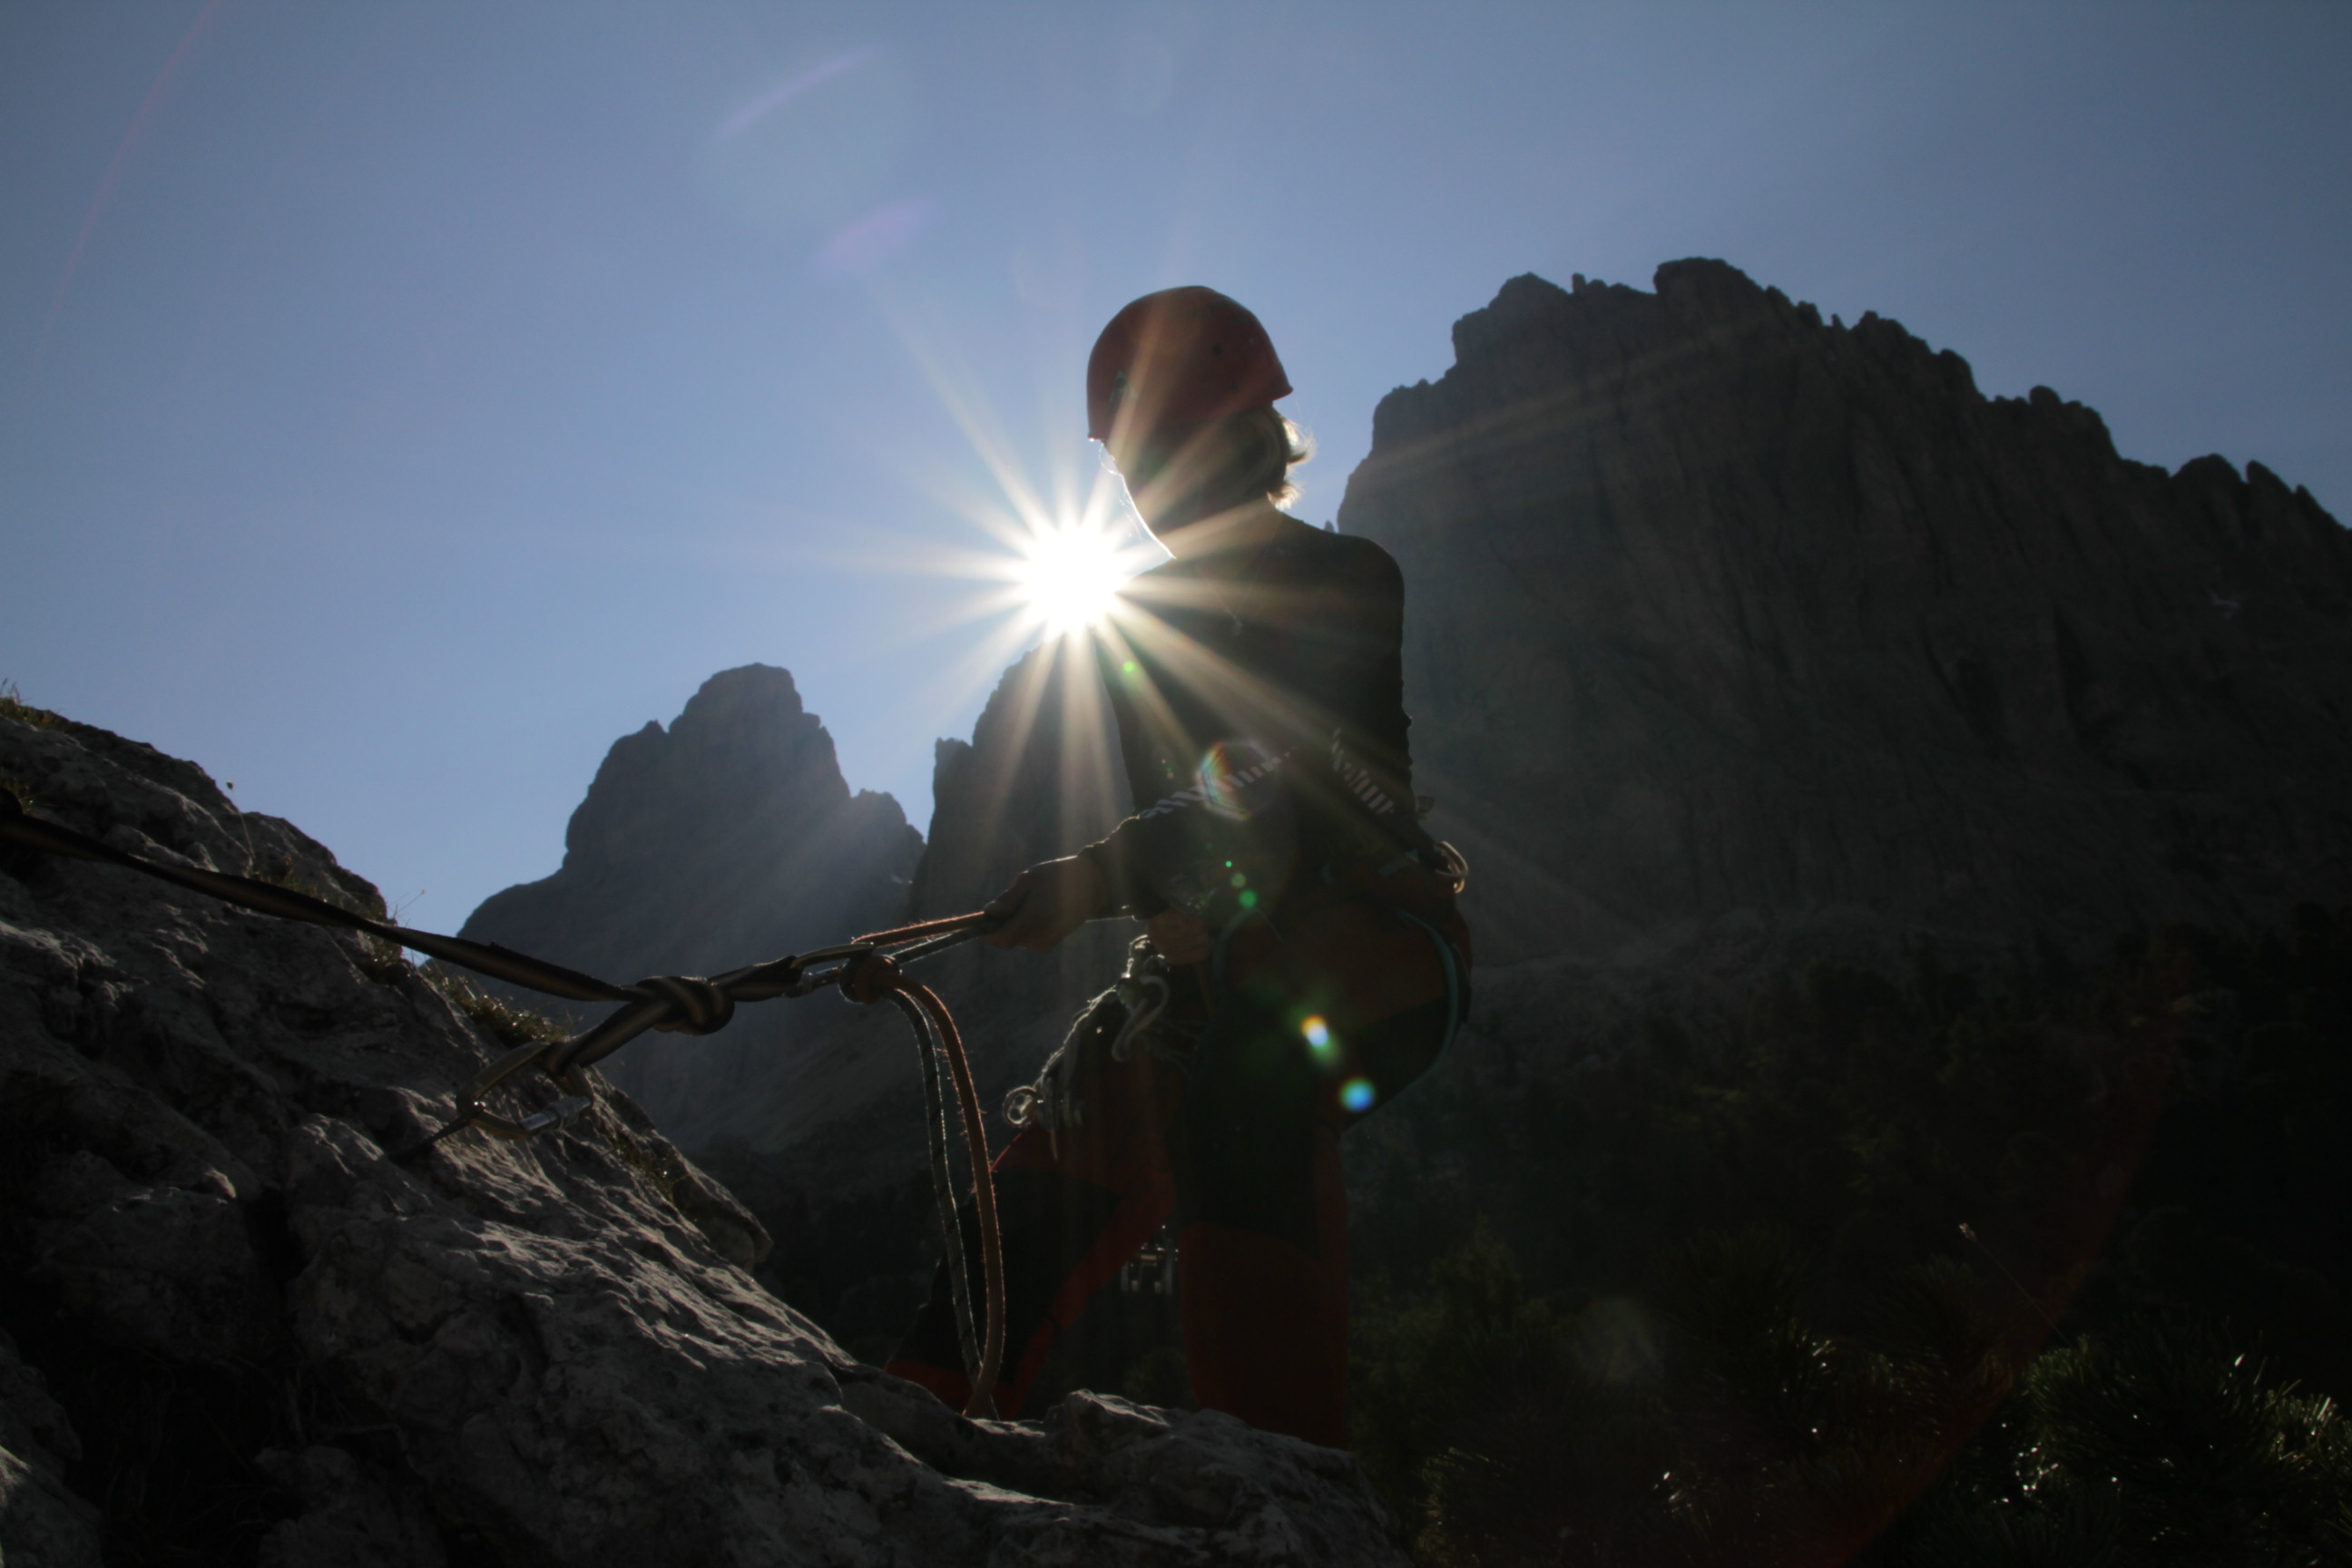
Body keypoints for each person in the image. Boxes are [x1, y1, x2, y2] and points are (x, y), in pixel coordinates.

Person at [885, 287, 1471, 1447]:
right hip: (1213, 967)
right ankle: (903, 1433)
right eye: (1130, 468)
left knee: (1255, 1079)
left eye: (1160, 451)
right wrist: (1159, 903)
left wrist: (1100, 877)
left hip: (1379, 944)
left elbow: (1273, 774)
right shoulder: (1132, 622)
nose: (1144, 489)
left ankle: (1280, 1480)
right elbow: (1190, 800)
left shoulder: (1348, 578)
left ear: (1243, 436)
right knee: (1055, 1162)